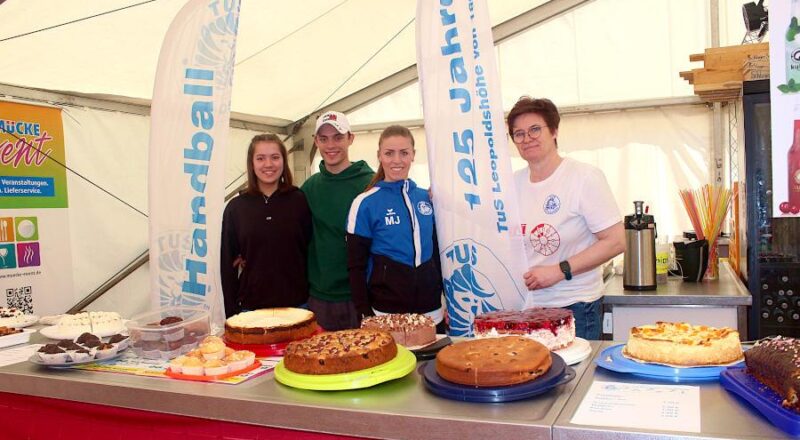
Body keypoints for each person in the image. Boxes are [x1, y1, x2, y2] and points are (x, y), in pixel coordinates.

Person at [507, 97, 625, 340]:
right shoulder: (511, 185)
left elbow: (616, 241)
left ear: (554, 131)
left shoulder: (583, 177)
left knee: (575, 377)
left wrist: (560, 271)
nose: (527, 138)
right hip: (525, 308)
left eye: (535, 129)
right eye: (518, 134)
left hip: (575, 307)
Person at [346, 126, 445, 332]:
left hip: (431, 312)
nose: (397, 160)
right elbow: (356, 266)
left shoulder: (427, 198)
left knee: (432, 365)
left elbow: (439, 255)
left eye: (404, 153)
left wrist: (449, 302)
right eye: (389, 153)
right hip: (385, 314)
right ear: (379, 156)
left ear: (413, 155)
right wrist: (364, 313)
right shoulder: (364, 203)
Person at [220, 134, 312, 317]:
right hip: (251, 308)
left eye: (275, 157)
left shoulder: (299, 200)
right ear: (252, 163)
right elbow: (227, 265)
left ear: (284, 161)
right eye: (260, 158)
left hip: (297, 306)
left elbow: (309, 250)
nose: (268, 164)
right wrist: (231, 314)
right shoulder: (236, 207)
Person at [301, 111, 374, 330]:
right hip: (320, 298)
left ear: (350, 138)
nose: (331, 145)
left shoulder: (371, 184)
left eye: (338, 137)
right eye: (323, 139)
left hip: (363, 295)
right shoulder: (309, 188)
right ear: (316, 141)